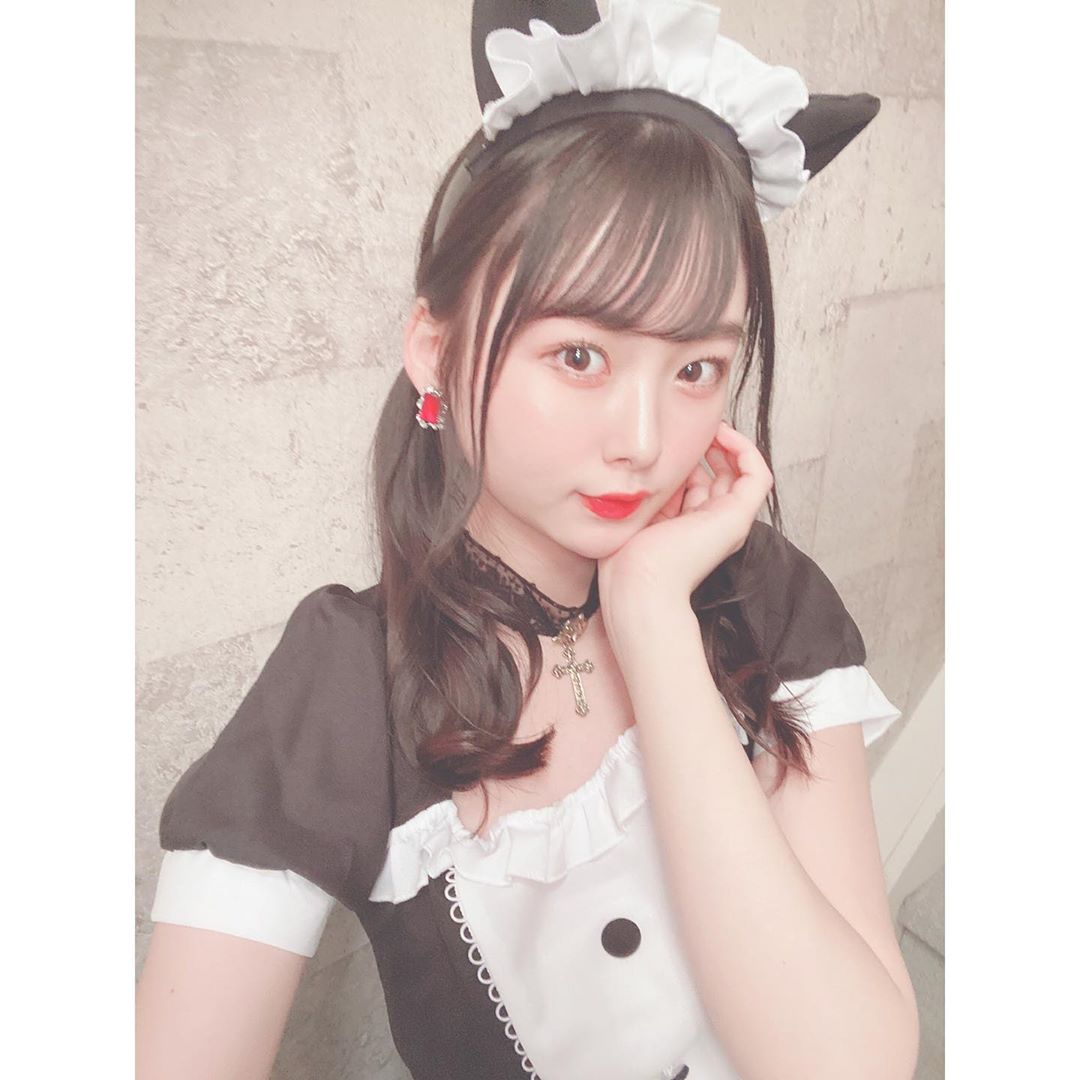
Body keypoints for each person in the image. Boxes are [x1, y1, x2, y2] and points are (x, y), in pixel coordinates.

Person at [136, 2, 920, 1077]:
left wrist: (651, 618)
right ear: (434, 348)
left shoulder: (761, 596)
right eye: (580, 356)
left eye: (696, 368)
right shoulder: (348, 682)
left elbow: (850, 1062)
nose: (644, 441)